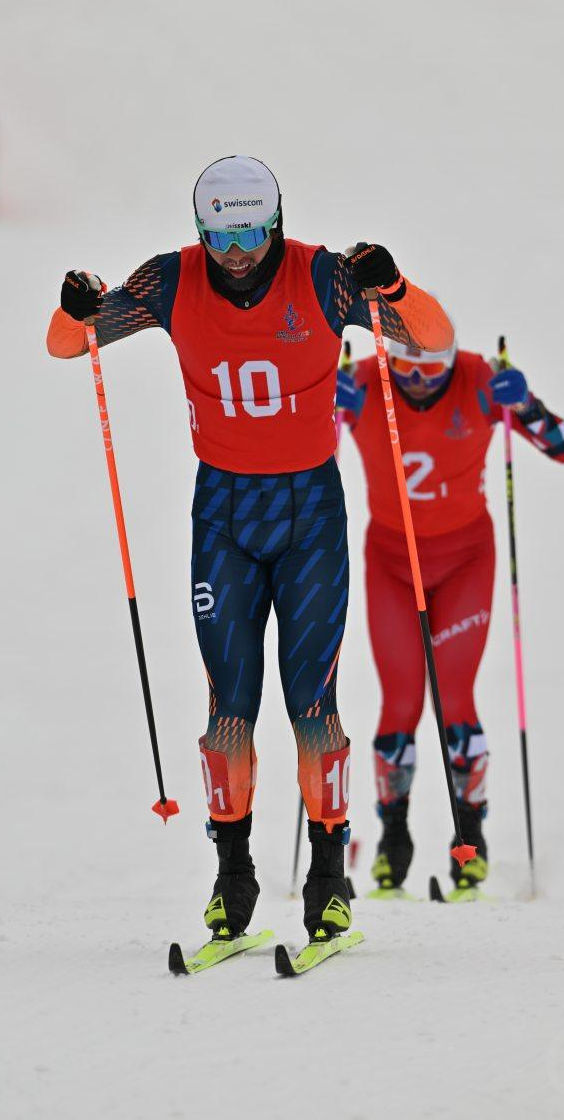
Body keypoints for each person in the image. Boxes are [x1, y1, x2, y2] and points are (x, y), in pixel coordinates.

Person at [47, 155, 453, 940]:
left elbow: (429, 342)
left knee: (312, 704)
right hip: (225, 512)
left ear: (276, 221)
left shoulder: (326, 279)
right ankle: (234, 875)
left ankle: (329, 879)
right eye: (220, 233)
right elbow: (71, 344)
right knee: (228, 708)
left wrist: (395, 290)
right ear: (201, 229)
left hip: (308, 513)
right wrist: (73, 308)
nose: (236, 252)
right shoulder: (169, 280)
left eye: (251, 232)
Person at [337, 331, 564, 899]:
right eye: (406, 371)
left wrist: (525, 405)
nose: (418, 383)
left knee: (454, 695)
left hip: (464, 559)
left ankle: (470, 841)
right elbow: (302, 454)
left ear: (452, 362)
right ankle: (393, 840)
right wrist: (331, 407)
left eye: (431, 373)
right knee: (400, 699)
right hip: (392, 562)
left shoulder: (476, 379)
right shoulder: (367, 379)